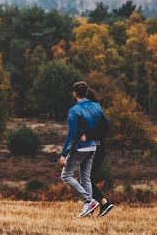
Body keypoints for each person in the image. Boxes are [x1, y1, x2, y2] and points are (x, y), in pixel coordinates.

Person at [59, 81, 107, 218]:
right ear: (86, 92)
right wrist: (92, 136)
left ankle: (89, 200)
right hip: (93, 146)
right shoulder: (97, 107)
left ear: (74, 93)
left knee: (66, 175)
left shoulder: (74, 111)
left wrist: (64, 154)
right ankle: (88, 209)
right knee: (85, 177)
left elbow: (72, 134)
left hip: (80, 148)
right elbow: (104, 125)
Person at [81, 87, 115, 217]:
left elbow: (101, 128)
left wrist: (90, 137)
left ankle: (103, 203)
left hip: (96, 149)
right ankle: (93, 206)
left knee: (84, 179)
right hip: (97, 149)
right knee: (85, 179)